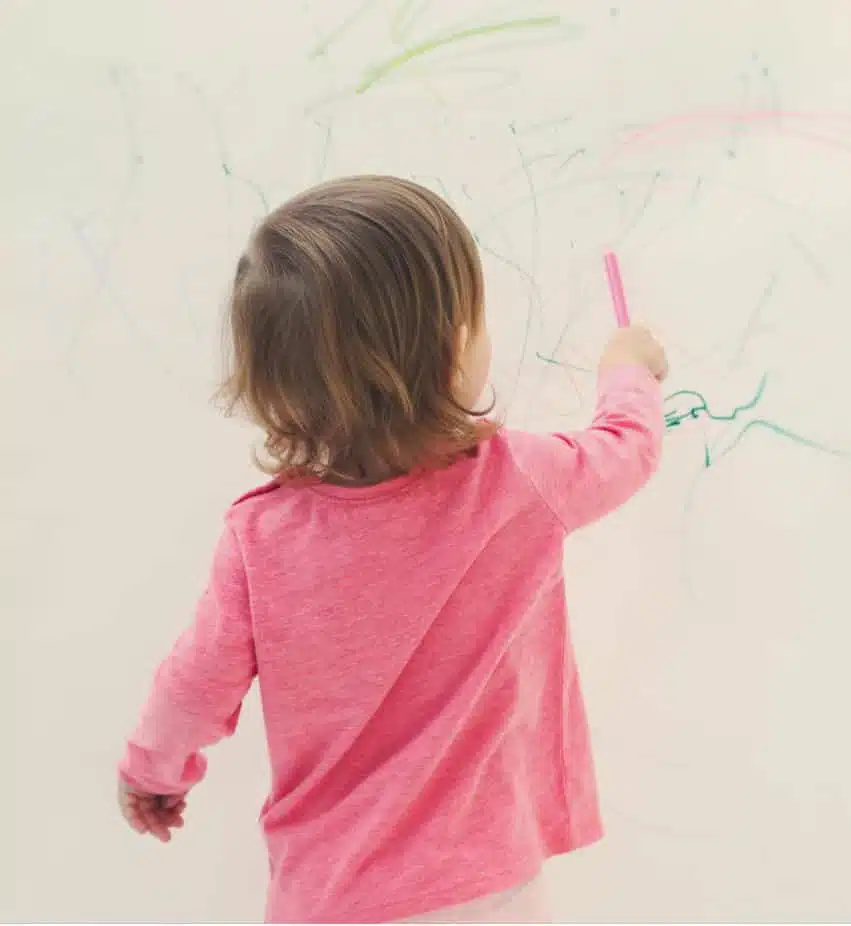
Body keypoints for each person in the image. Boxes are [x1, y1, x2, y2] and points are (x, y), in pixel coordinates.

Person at [116, 175, 668, 923]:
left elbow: (193, 685)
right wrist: (627, 369)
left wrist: (153, 770)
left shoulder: (261, 536)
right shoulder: (519, 481)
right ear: (446, 352)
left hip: (329, 896)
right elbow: (625, 451)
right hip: (485, 889)